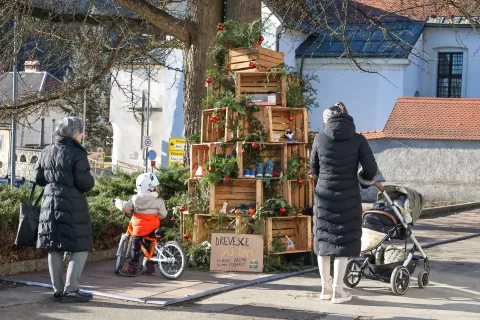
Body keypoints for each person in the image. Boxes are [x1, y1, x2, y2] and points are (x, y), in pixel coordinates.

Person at [310, 102, 378, 304]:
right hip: (348, 194)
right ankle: (338, 291)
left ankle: (325, 288)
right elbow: (371, 170)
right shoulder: (358, 140)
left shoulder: (319, 139)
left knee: (324, 240)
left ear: (326, 121)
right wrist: (361, 178)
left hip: (324, 195)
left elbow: (314, 167)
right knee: (343, 242)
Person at [34, 117, 95, 302]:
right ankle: (71, 289)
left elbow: (38, 178)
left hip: (49, 205)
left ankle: (58, 290)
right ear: (75, 134)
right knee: (81, 245)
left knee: (54, 246)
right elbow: (85, 183)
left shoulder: (47, 150)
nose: (83, 135)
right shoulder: (77, 154)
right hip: (72, 205)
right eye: (81, 132)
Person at [114, 173, 168, 276]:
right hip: (153, 227)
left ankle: (133, 268)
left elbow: (126, 208)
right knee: (150, 246)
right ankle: (150, 269)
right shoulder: (159, 201)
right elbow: (163, 214)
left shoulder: (135, 199)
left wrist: (117, 202)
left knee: (136, 247)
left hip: (139, 229)